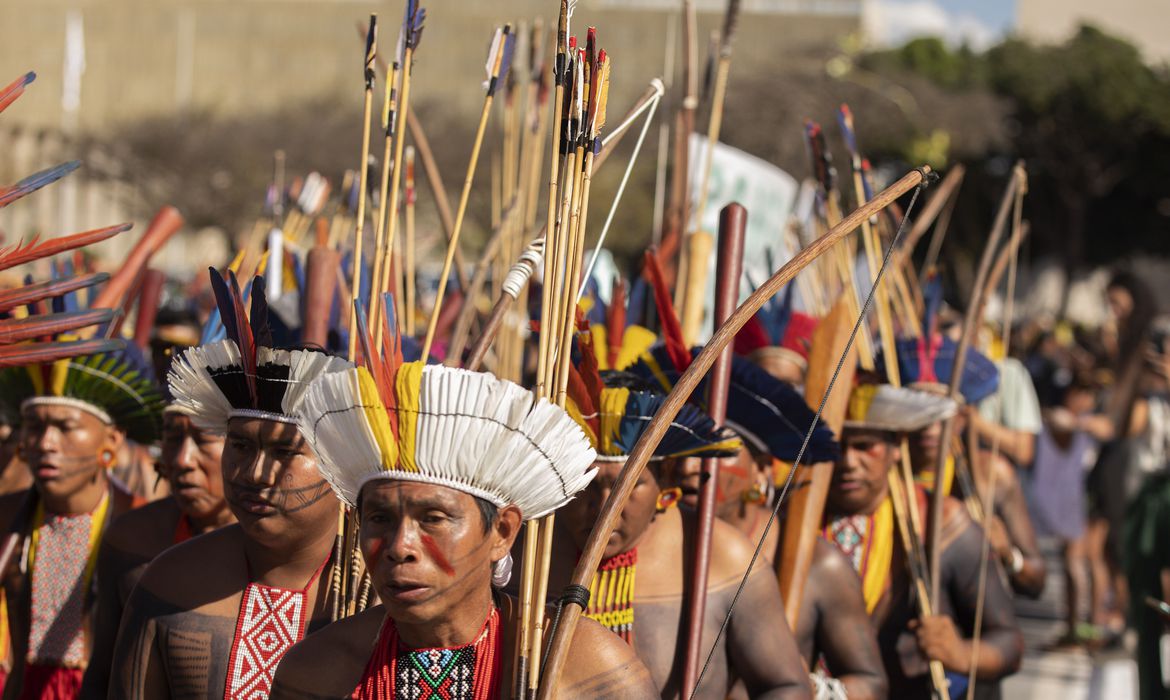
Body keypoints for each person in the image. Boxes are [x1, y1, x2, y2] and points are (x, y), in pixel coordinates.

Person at [269, 346, 657, 697]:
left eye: (433, 519)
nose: (399, 546)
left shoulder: (589, 671)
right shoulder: (315, 674)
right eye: (379, 518)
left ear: (502, 532)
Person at [107, 271, 351, 699]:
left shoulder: (385, 599)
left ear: (340, 465)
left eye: (284, 453)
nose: (255, 473)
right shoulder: (168, 583)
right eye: (240, 445)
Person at [823, 382, 1023, 699]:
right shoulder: (792, 524)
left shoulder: (939, 522)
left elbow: (1009, 642)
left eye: (864, 446)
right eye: (835, 447)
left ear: (895, 448)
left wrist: (959, 653)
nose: (848, 461)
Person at [0, 343, 165, 699]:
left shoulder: (143, 531)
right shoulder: (7, 521)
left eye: (65, 427)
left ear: (112, 439)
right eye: (35, 426)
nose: (47, 443)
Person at [80, 405, 234, 698]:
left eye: (203, 438)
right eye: (173, 437)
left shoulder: (274, 550)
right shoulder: (130, 540)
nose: (182, 460)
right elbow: (102, 671)